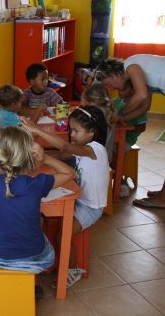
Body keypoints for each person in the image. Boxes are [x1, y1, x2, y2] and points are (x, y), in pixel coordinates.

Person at [0, 126, 75, 295]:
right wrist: (45, 158)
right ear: (28, 157)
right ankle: (23, 282)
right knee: (39, 233)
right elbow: (69, 173)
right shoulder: (37, 183)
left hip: (2, 254)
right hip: (37, 255)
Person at [95, 55, 165, 209]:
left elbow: (141, 95)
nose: (112, 89)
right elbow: (145, 105)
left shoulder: (131, 65)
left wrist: (119, 114)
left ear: (111, 74)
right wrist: (123, 117)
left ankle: (163, 199)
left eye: (109, 84)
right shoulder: (137, 70)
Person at [22, 105, 110, 288]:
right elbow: (62, 153)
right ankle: (51, 261)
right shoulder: (81, 147)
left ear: (92, 131)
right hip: (78, 198)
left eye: (76, 131)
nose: (72, 134)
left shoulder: (95, 149)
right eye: (71, 130)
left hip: (91, 207)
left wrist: (36, 129)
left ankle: (71, 269)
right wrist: (36, 155)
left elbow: (63, 146)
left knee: (63, 234)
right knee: (45, 213)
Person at [81, 83, 118, 161]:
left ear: (90, 102)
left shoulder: (92, 116)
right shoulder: (109, 112)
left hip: (92, 161)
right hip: (106, 159)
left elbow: (80, 141)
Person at [112, 80, 147, 148]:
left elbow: (142, 128)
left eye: (123, 89)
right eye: (118, 89)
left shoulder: (138, 107)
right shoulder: (116, 101)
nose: (119, 92)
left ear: (133, 90)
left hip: (127, 140)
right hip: (114, 136)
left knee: (112, 150)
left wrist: (126, 128)